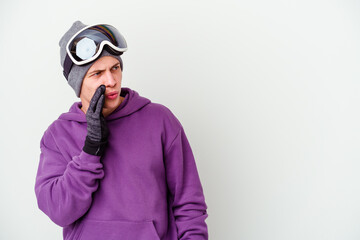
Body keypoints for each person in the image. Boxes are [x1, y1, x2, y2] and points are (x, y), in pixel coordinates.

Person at [34, 20, 208, 240]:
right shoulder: (58, 135)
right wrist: (91, 150)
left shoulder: (160, 120)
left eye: (115, 68)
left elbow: (189, 204)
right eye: (97, 73)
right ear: (78, 84)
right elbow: (59, 210)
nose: (111, 80)